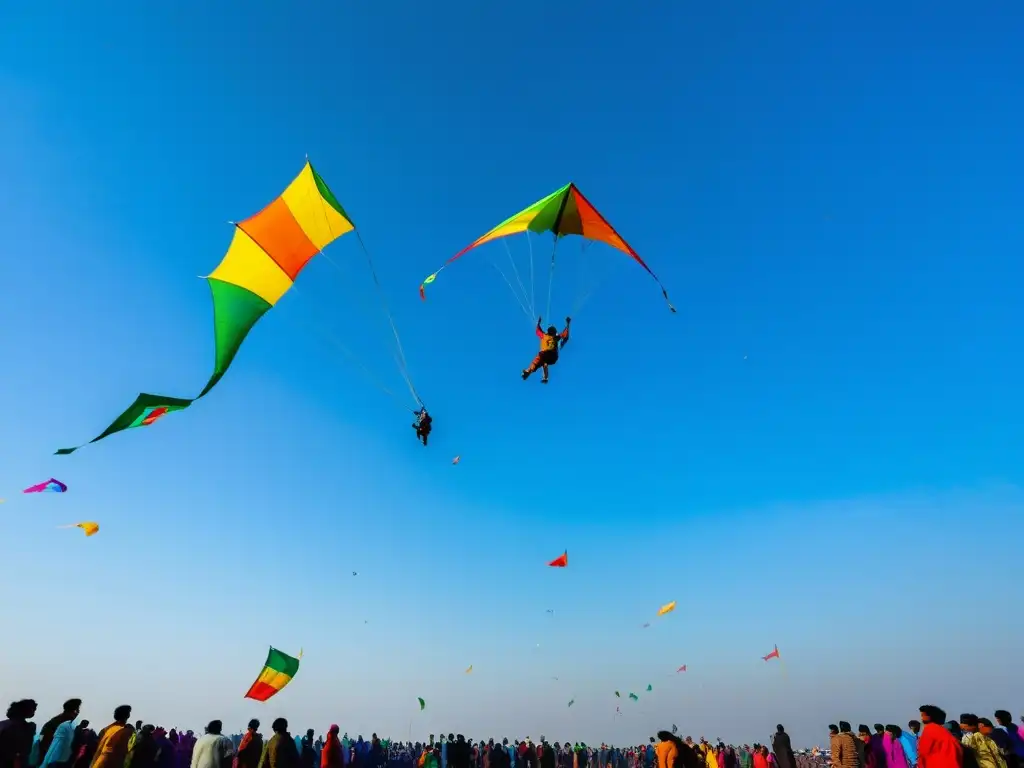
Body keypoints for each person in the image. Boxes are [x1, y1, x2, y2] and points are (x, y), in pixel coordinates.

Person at [522, 317, 571, 384]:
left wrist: (538, 323)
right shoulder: (555, 337)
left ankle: (529, 370)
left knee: (537, 362)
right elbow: (565, 335)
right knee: (544, 363)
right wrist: (568, 324)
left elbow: (537, 331)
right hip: (552, 356)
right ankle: (544, 377)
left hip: (545, 354)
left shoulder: (544, 335)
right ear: (554, 332)